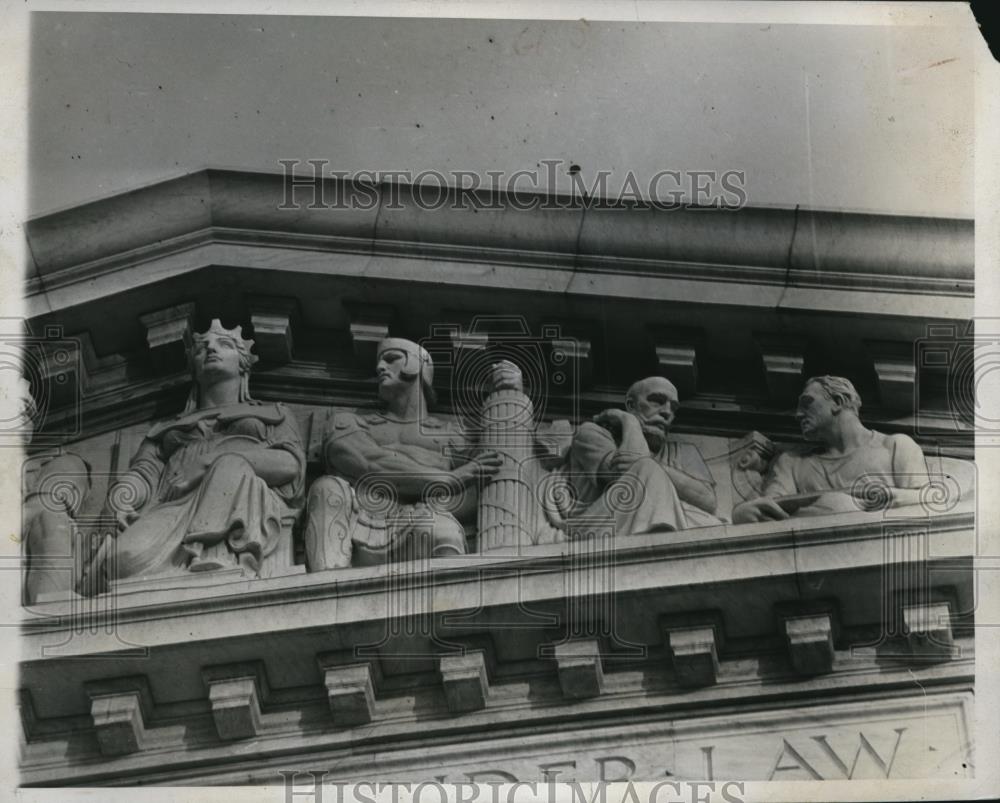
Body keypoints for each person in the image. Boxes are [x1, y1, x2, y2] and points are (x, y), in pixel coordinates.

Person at [103, 319, 306, 579]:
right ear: (194, 367)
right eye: (201, 348)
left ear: (243, 363)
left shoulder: (274, 414)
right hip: (174, 504)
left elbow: (290, 465)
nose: (211, 349)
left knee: (230, 465)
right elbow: (143, 473)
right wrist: (122, 497)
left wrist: (209, 462)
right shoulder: (165, 430)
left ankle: (212, 555)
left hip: (241, 500)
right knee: (123, 560)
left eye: (224, 344)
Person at [304, 337, 506, 569]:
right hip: (359, 522)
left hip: (423, 520)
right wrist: (449, 479)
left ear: (415, 364)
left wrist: (510, 391)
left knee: (445, 534)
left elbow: (486, 482)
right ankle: (330, 589)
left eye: (391, 359)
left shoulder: (451, 436)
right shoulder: (349, 422)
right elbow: (369, 463)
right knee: (326, 487)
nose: (380, 368)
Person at [732, 375, 929, 523]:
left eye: (807, 403)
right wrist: (745, 512)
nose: (798, 415)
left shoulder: (896, 447)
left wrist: (853, 501)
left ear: (838, 402)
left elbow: (925, 502)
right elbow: (770, 508)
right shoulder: (792, 464)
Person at [544, 376, 721, 536]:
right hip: (601, 528)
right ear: (631, 405)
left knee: (714, 527)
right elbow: (625, 473)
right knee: (647, 469)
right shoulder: (592, 433)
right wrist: (630, 422)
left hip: (669, 526)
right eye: (657, 401)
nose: (667, 412)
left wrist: (652, 466)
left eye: (673, 407)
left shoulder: (684, 451)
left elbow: (708, 501)